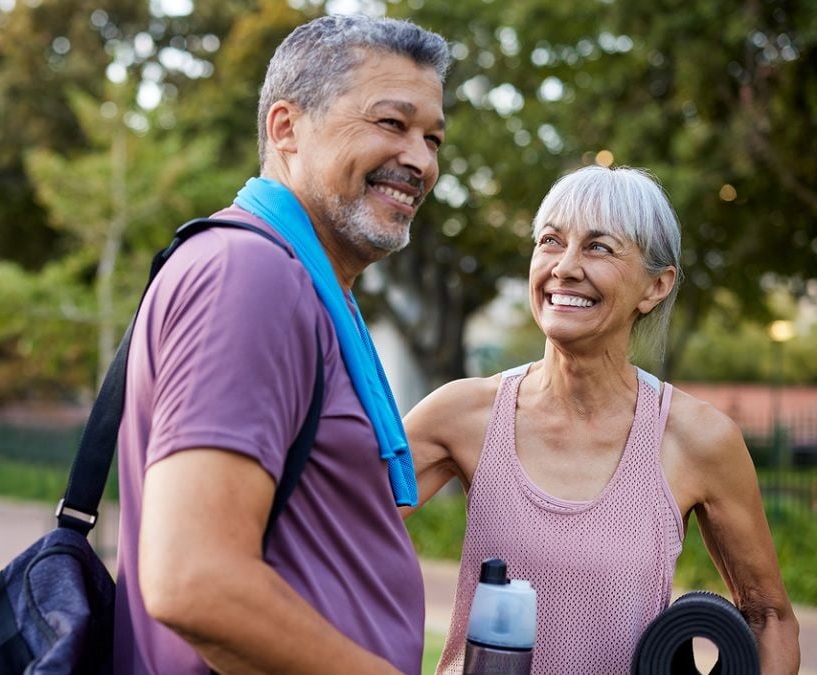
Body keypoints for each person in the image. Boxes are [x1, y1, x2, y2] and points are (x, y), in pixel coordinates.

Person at [113, 14, 450, 674]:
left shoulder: (308, 286)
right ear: (285, 128)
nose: (421, 160)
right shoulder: (253, 275)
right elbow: (193, 578)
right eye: (391, 123)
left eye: (433, 137)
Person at [403, 165, 801, 674]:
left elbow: (768, 617)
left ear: (656, 286)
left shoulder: (696, 438)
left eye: (598, 247)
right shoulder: (462, 413)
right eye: (550, 241)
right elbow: (329, 533)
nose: (565, 267)